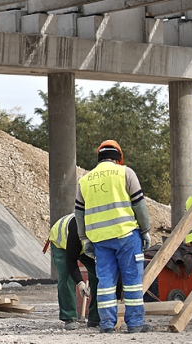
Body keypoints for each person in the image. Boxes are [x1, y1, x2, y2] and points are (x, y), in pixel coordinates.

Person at [75, 140, 151, 334]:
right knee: (132, 280)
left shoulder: (85, 180)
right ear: (118, 158)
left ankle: (107, 324)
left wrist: (84, 239)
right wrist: (145, 230)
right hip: (127, 236)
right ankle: (135, 324)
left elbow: (79, 214)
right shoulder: (126, 173)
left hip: (100, 240)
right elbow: (139, 206)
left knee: (106, 283)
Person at [49, 213, 99, 330]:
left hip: (84, 246)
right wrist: (81, 283)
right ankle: (69, 316)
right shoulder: (77, 229)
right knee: (66, 275)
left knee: (98, 275)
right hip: (61, 242)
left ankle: (95, 317)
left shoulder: (100, 230)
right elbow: (71, 261)